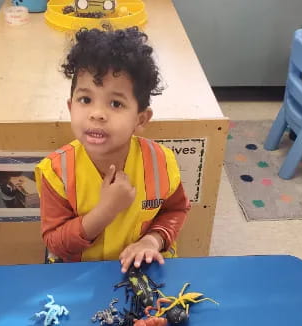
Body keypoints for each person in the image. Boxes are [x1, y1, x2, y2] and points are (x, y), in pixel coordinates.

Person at [35, 27, 190, 273]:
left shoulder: (161, 161)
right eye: (85, 100)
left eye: (115, 103)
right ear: (70, 106)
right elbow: (55, 243)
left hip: (143, 270)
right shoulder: (56, 171)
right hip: (83, 275)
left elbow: (176, 210)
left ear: (140, 119)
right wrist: (105, 211)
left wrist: (153, 240)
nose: (97, 114)